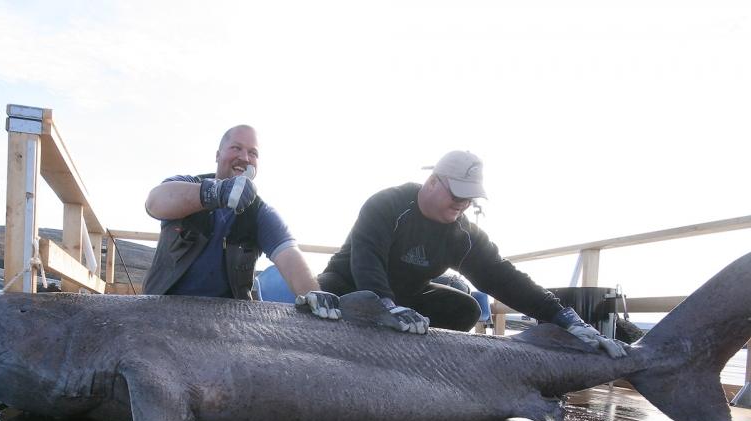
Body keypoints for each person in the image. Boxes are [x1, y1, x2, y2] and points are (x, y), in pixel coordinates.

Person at [315, 150, 625, 357]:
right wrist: (384, 305)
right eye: (457, 194)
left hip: (403, 301)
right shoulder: (388, 204)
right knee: (330, 287)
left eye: (469, 197)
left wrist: (564, 317)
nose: (462, 204)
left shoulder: (462, 234)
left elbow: (502, 276)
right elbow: (366, 259)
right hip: (351, 287)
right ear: (433, 181)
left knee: (465, 308)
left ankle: (409, 362)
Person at [143, 125, 339, 318]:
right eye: (236, 148)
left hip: (228, 323)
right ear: (218, 155)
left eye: (252, 153)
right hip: (162, 313)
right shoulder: (185, 186)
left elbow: (289, 256)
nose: (245, 158)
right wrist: (215, 192)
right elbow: (154, 202)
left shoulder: (260, 214)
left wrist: (314, 293)